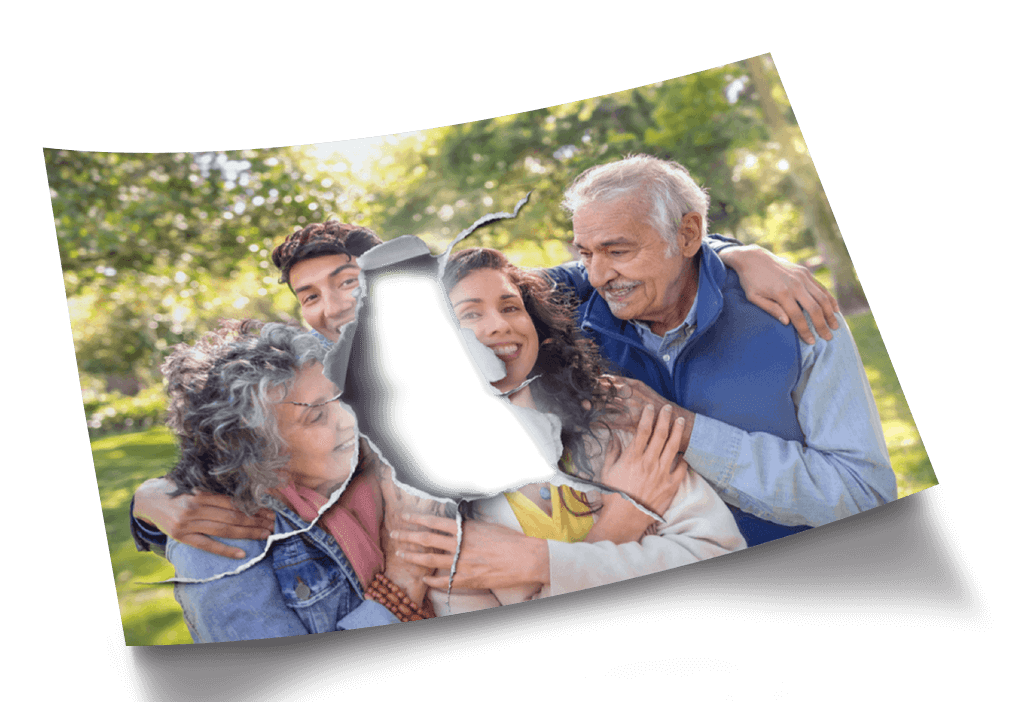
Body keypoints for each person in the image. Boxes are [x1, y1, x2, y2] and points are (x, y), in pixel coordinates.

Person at [130, 215, 838, 561]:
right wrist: (149, 502)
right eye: (308, 295)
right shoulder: (314, 379)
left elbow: (618, 257)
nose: (331, 305)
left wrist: (737, 253)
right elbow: (222, 457)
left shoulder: (483, 314)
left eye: (347, 282)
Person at [541, 154, 896, 547]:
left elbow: (864, 494)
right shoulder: (570, 334)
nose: (598, 276)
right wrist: (734, 250)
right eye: (585, 253)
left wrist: (687, 432)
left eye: (618, 251)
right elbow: (487, 284)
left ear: (688, 235)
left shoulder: (794, 311)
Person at [390, 248, 746, 612]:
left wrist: (541, 564)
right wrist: (619, 523)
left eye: (511, 307)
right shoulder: (434, 503)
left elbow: (718, 550)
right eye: (469, 313)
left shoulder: (617, 424)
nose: (500, 324)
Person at [158, 319, 430, 642]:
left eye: (340, 398)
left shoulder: (373, 469)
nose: (346, 419)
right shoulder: (221, 541)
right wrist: (400, 585)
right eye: (316, 416)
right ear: (258, 449)